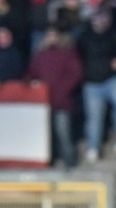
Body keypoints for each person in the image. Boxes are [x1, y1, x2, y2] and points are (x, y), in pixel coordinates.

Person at [76, 6, 116, 162]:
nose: (102, 21)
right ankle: (93, 147)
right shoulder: (84, 36)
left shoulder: (113, 35)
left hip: (112, 79)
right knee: (94, 118)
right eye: (99, 17)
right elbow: (78, 57)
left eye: (105, 17)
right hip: (92, 83)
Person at [27, 23, 82, 168]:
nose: (51, 38)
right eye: (49, 35)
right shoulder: (40, 55)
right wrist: (32, 83)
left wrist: (62, 90)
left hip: (61, 101)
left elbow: (75, 74)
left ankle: (70, 163)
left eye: (53, 35)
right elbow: (33, 73)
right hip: (43, 102)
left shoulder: (67, 54)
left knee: (63, 133)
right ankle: (49, 162)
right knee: (47, 136)